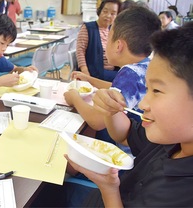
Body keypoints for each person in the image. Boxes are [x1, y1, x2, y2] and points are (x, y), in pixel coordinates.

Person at [66, 22, 193, 207]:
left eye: (156, 91)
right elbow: (125, 134)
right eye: (147, 89)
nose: (143, 103)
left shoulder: (183, 193)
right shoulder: (172, 140)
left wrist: (109, 189)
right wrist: (109, 108)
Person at [76, 0, 121, 82]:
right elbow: (80, 52)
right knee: (123, 80)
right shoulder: (88, 27)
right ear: (99, 11)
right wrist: (86, 74)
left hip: (112, 70)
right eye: (105, 11)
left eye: (113, 14)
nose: (108, 16)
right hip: (95, 71)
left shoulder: (114, 30)